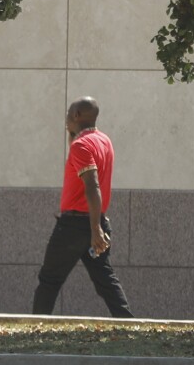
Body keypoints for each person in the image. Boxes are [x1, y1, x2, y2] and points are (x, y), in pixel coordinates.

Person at [31, 96, 134, 317]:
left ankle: (35, 328)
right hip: (95, 221)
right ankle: (127, 323)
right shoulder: (104, 141)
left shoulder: (81, 145)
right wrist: (97, 227)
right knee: (104, 278)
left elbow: (92, 184)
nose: (66, 119)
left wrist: (95, 229)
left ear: (76, 115)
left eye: (68, 114)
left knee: (49, 279)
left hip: (74, 227)